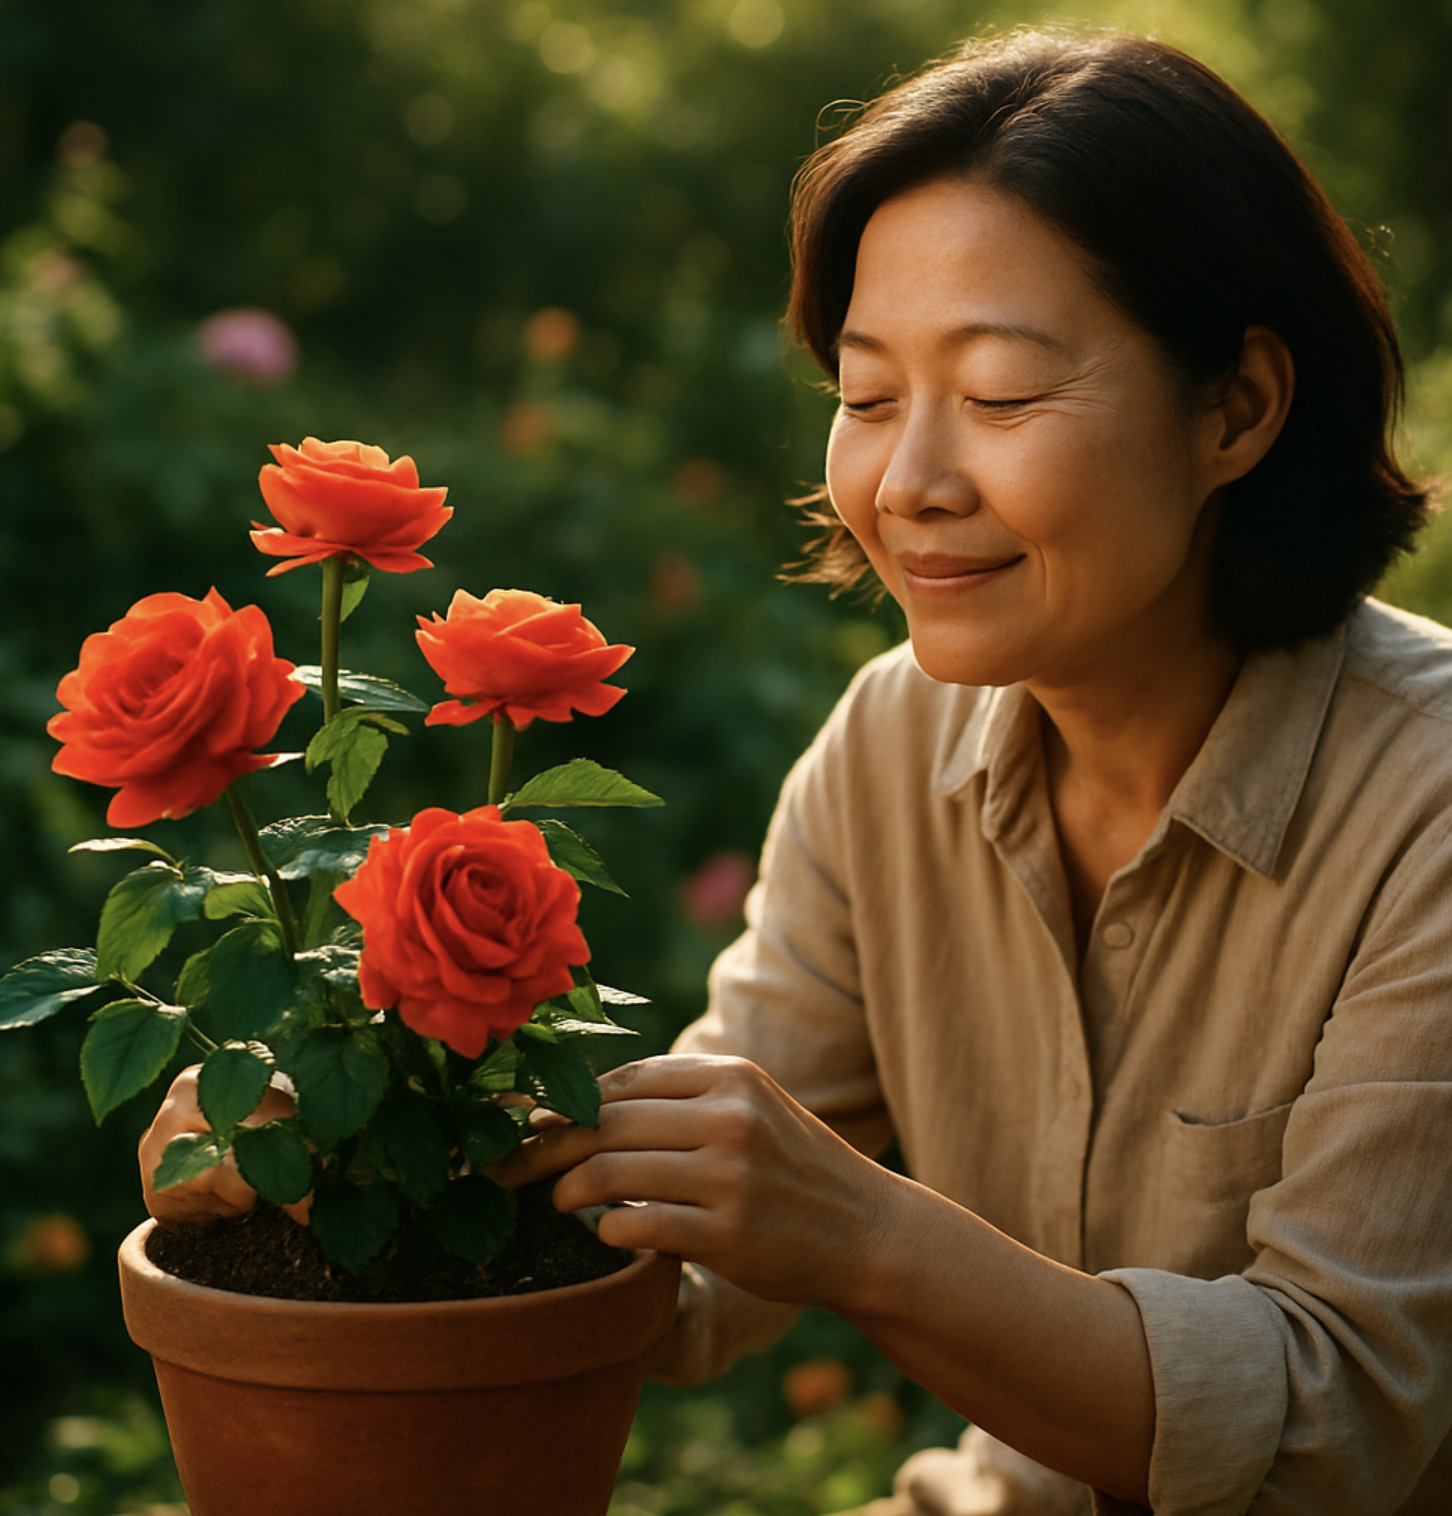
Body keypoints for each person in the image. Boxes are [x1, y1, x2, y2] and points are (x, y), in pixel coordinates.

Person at [141, 30, 1452, 1515]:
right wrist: (331, 1149)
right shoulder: (892, 746)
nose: (909, 484)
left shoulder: (1429, 804)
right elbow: (683, 1274)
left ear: (1236, 409)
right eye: (870, 393)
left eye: (1004, 395)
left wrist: (869, 1239)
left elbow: (1339, 1421)